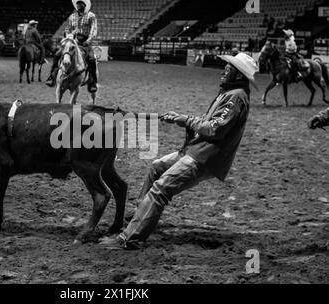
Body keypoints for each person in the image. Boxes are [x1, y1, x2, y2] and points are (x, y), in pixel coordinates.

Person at [100, 53, 258, 250]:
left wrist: (186, 120)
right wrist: (181, 117)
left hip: (205, 156)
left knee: (161, 188)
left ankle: (130, 238)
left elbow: (214, 129)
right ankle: (142, 214)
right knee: (157, 167)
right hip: (198, 149)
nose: (224, 70)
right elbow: (210, 122)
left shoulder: (235, 97)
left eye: (229, 67)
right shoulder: (230, 93)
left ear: (239, 74)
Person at [46, 0, 98, 93]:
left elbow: (93, 30)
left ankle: (92, 82)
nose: (79, 5)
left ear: (85, 5)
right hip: (73, 40)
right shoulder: (72, 16)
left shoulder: (91, 16)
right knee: (57, 55)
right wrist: (67, 37)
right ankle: (52, 76)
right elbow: (67, 29)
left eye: (81, 4)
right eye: (77, 4)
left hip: (85, 41)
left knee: (91, 59)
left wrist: (88, 40)